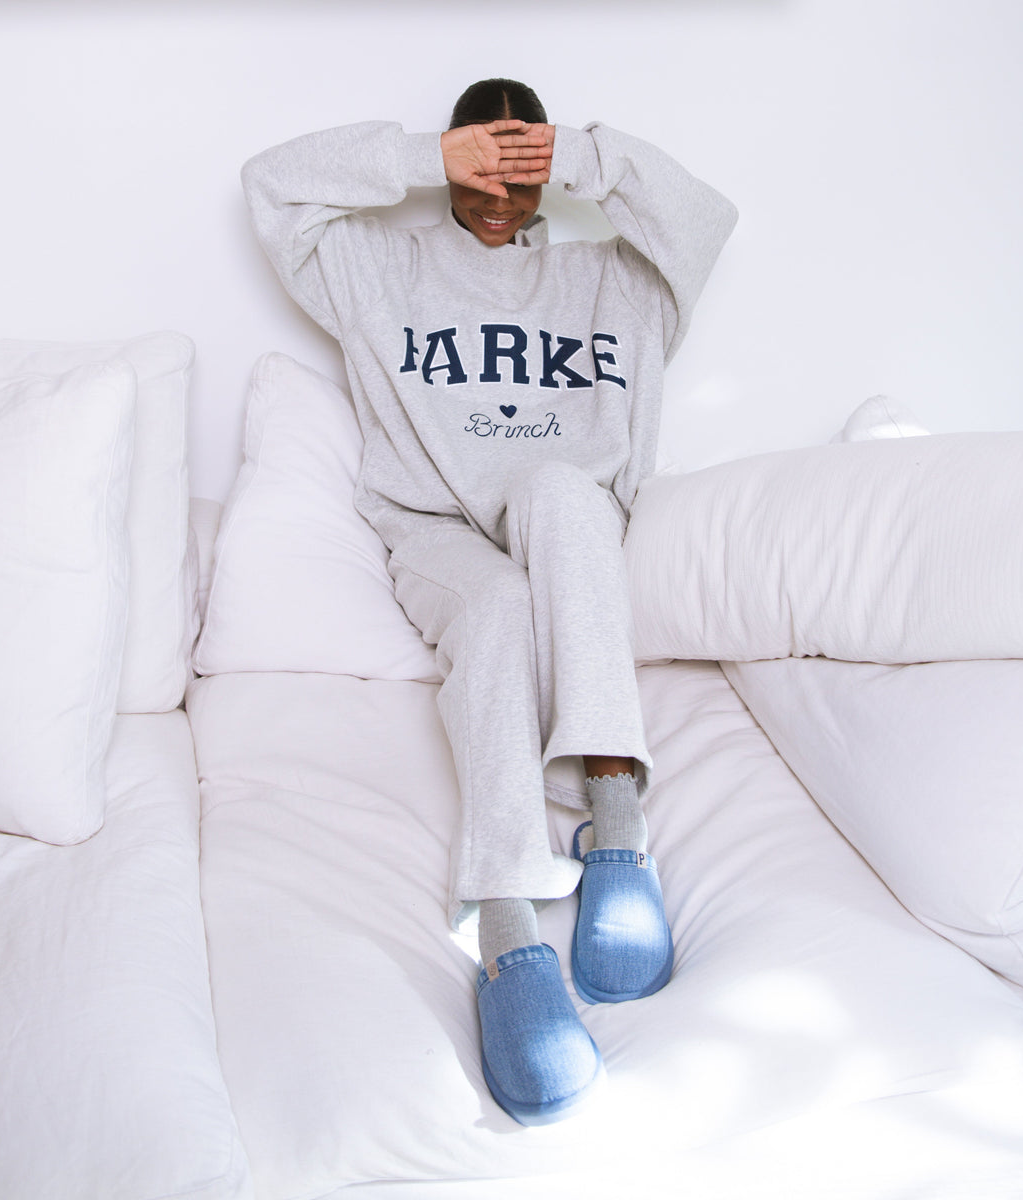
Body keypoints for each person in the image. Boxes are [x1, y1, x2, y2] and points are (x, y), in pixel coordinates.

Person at [242, 78, 737, 1126]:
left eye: (520, 171)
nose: (499, 193)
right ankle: (508, 929)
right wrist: (433, 154)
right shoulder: (381, 268)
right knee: (501, 607)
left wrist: (585, 157)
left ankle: (615, 827)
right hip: (438, 540)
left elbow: (704, 217)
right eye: (484, 167)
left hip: (568, 539)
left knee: (563, 493)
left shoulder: (618, 281)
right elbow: (273, 189)